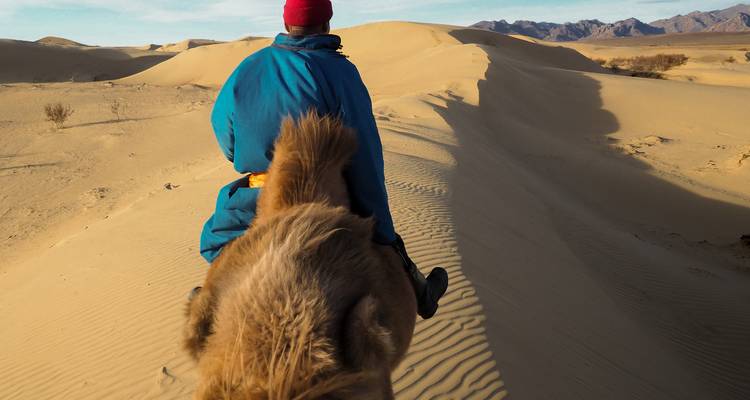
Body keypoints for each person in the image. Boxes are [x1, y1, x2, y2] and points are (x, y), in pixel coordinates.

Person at [199, 0, 448, 319]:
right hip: (321, 195)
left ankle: (206, 307)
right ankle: (422, 294)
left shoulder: (247, 68)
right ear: (327, 25)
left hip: (257, 192)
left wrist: (254, 158)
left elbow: (224, 130)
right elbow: (364, 152)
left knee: (220, 247)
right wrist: (383, 231)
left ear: (286, 24)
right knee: (386, 252)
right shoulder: (339, 72)